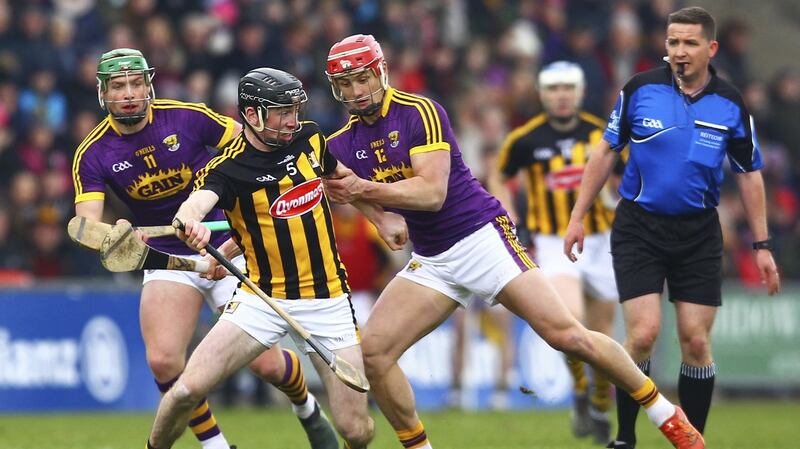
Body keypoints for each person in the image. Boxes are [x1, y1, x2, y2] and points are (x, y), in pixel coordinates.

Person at [322, 34, 705, 449]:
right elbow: (341, 186)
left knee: (569, 337)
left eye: (361, 79)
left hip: (480, 237)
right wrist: (378, 220)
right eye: (344, 84)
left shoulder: (420, 111)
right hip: (432, 259)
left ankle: (666, 414)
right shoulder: (340, 142)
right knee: (374, 355)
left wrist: (367, 191)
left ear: (380, 71)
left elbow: (431, 193)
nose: (355, 92)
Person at [72, 49, 337, 449]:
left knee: (266, 363)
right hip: (169, 257)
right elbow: (86, 226)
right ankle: (216, 445)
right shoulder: (93, 152)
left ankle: (305, 406)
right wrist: (115, 232)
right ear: (102, 94)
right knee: (163, 360)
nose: (129, 93)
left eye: (136, 83)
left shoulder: (187, 116)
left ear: (149, 84)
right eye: (119, 86)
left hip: (227, 244)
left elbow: (251, 145)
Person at [145, 67, 400, 449]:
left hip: (328, 299)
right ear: (251, 115)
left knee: (356, 430)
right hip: (261, 300)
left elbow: (342, 180)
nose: (292, 120)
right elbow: (197, 204)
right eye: (282, 112)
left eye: (294, 110)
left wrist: (379, 219)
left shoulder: (311, 137)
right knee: (184, 392)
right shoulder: (227, 168)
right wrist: (189, 221)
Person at [563, 7, 781, 449]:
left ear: (711, 48)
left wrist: (761, 244)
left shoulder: (731, 103)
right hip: (639, 228)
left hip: (699, 233)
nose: (679, 52)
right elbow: (606, 152)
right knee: (642, 334)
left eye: (689, 43)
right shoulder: (640, 89)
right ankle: (625, 437)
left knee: (696, 343)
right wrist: (577, 215)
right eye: (672, 42)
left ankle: (693, 440)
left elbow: (750, 173)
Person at [490, 60, 618, 444]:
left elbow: (629, 173)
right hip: (554, 240)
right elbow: (498, 174)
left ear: (578, 92)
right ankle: (580, 388)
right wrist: (507, 209)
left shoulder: (602, 133)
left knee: (602, 334)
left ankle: (595, 402)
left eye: (568, 88)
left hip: (602, 241)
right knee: (570, 319)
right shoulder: (525, 139)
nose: (562, 95)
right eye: (554, 89)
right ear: (543, 95)